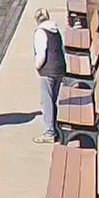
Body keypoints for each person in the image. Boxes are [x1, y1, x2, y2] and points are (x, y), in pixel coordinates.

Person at [32, 7, 67, 144]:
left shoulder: (40, 32)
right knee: (53, 100)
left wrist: (37, 66)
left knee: (47, 101)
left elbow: (41, 53)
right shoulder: (55, 30)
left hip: (48, 71)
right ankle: (54, 127)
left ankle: (49, 132)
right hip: (59, 68)